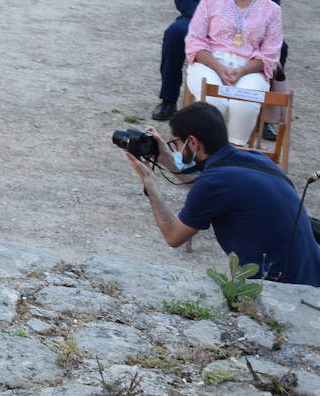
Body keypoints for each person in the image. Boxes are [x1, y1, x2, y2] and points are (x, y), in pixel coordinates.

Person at [126, 102, 320, 286]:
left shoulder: (214, 182)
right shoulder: (256, 158)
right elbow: (207, 191)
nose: (176, 149)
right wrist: (167, 160)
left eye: (176, 143)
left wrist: (149, 183)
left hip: (286, 288)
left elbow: (173, 236)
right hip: (312, 274)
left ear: (192, 142)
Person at [183, 0, 284, 143]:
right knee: (213, 102)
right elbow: (195, 40)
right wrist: (219, 68)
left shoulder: (272, 10)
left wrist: (242, 71)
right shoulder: (211, 0)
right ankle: (208, 151)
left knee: (245, 104)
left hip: (251, 67)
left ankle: (236, 150)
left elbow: (271, 53)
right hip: (210, 62)